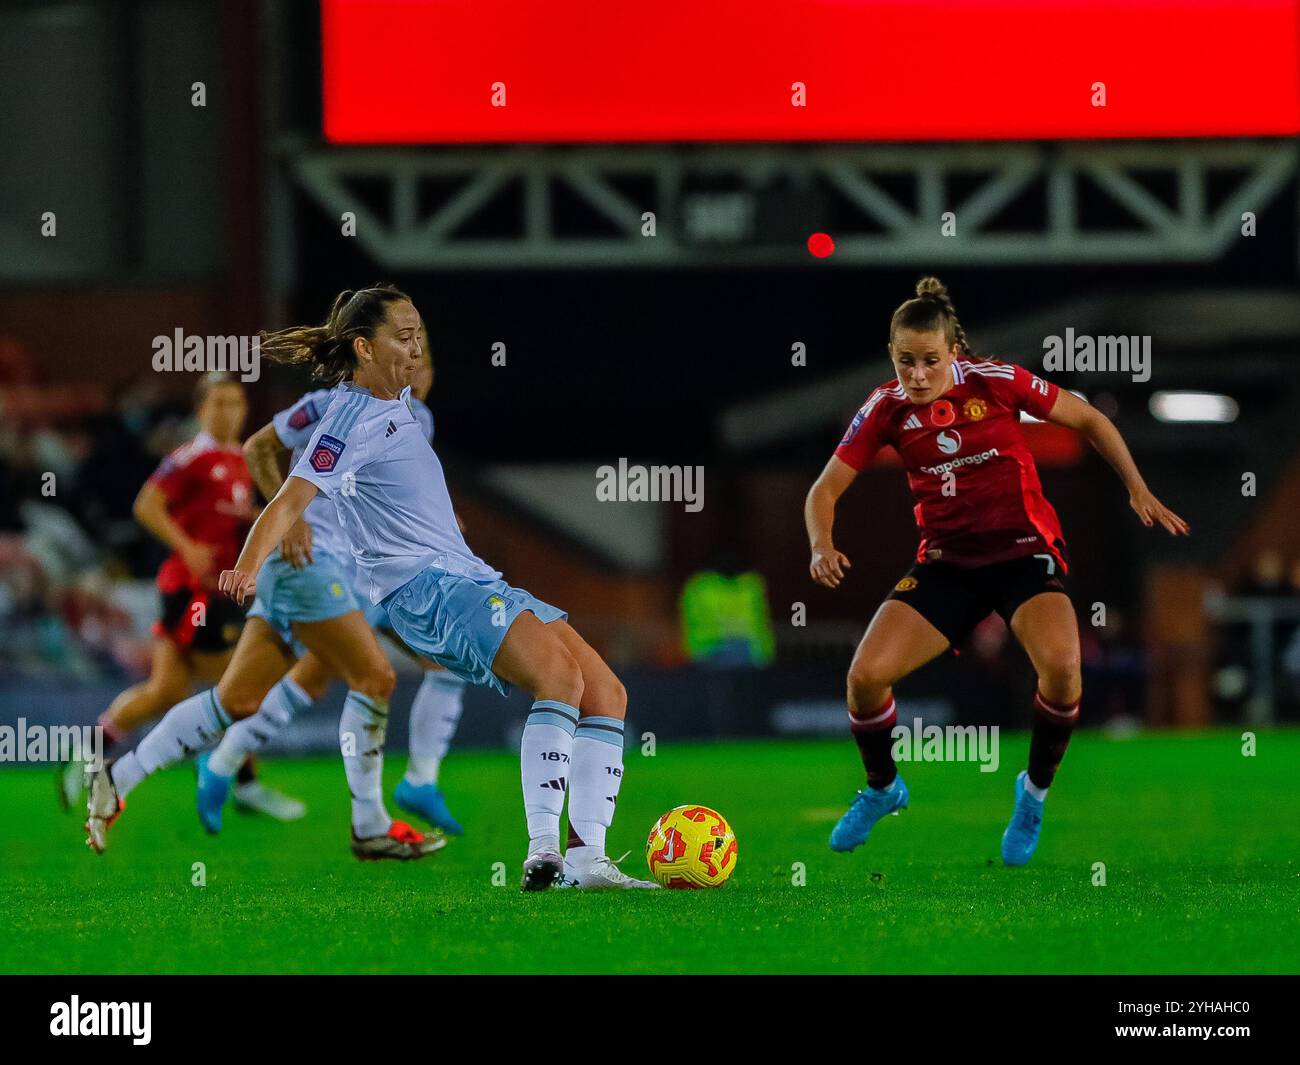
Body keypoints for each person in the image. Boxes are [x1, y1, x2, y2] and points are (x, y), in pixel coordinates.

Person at [86, 286, 655, 890]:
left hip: (425, 576)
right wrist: (251, 558)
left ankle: (124, 779)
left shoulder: (403, 408)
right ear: (364, 346)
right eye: (404, 338)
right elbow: (284, 488)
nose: (418, 351)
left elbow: (394, 473)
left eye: (421, 338)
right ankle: (513, 847)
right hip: (365, 577)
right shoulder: (344, 414)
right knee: (391, 677)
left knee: (604, 692)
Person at [805, 276, 1189, 866]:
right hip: (948, 566)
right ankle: (884, 788)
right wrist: (820, 543)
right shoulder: (883, 409)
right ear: (892, 356)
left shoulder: (995, 381)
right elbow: (824, 489)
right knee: (863, 679)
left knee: (1063, 670)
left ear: (952, 353)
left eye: (930, 361)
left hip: (1021, 555)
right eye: (906, 362)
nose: (918, 375)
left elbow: (1089, 420)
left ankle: (1032, 793)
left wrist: (1137, 489)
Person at [196, 333, 467, 839]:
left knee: (446, 662)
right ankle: (224, 761)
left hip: (389, 567)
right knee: (319, 678)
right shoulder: (330, 406)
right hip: (336, 562)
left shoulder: (418, 421)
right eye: (411, 356)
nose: (418, 368)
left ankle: (419, 782)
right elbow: (262, 447)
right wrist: (289, 520)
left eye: (425, 360)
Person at [59, 373, 302, 821]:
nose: (228, 411)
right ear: (201, 411)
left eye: (235, 403)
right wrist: (188, 547)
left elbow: (225, 513)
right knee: (238, 687)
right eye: (219, 403)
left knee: (169, 689)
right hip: (192, 592)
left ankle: (92, 749)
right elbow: (146, 505)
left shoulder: (241, 459)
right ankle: (237, 782)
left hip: (217, 590)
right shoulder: (193, 456)